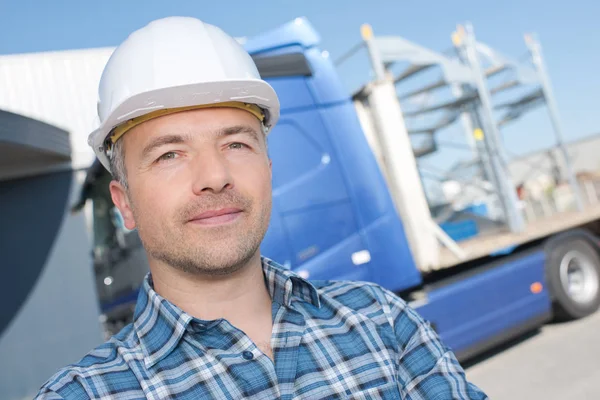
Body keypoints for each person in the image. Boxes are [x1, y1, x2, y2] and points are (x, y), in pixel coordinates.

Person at [36, 16, 488, 399]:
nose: (215, 176)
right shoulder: (87, 392)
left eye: (235, 142)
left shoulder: (382, 323)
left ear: (268, 170)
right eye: (169, 154)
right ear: (125, 204)